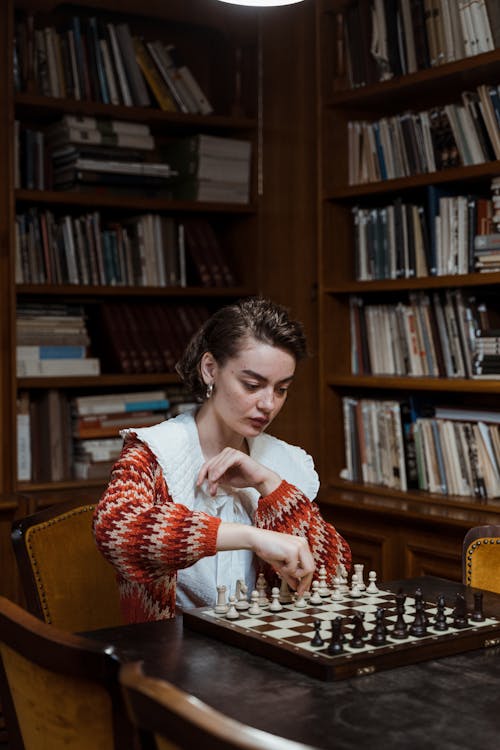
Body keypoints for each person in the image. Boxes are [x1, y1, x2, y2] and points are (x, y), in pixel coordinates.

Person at [93, 297, 351, 623]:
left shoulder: (282, 460)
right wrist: (250, 536)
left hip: (266, 651)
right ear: (210, 369)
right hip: (170, 656)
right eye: (252, 385)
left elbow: (335, 575)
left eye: (282, 389)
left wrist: (270, 485)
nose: (268, 404)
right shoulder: (156, 451)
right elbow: (114, 531)